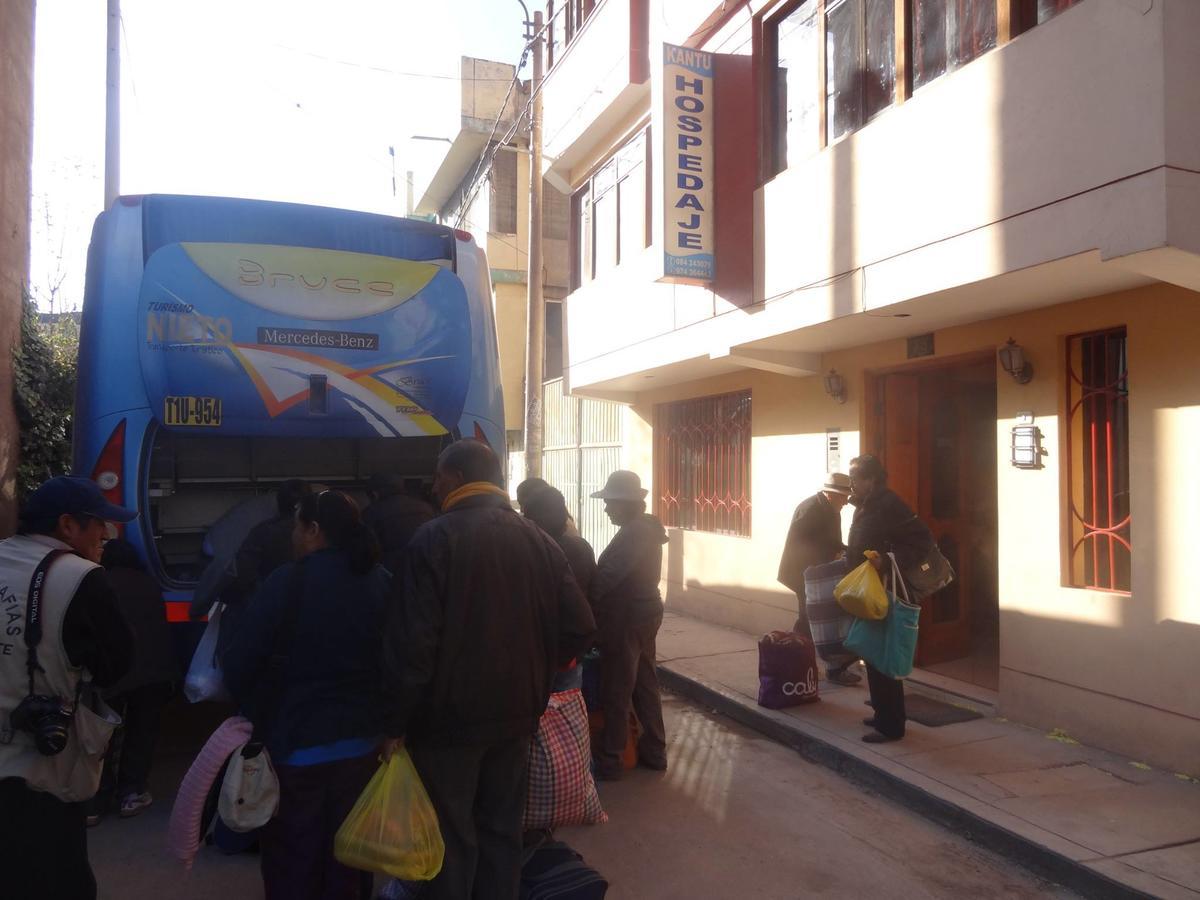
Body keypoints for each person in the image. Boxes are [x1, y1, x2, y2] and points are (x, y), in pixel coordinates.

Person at [383, 440, 596, 900]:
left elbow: (414, 647)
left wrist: (394, 723)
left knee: (452, 836)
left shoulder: (433, 539)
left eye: (438, 479)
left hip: (446, 726)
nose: (434, 488)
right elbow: (580, 626)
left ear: (456, 479)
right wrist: (536, 669)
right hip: (518, 716)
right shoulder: (538, 539)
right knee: (502, 830)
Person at [223, 490, 389, 900]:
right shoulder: (381, 580)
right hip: (363, 746)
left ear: (314, 530)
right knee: (350, 853)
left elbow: (240, 662)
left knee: (294, 856)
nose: (293, 534)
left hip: (294, 745)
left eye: (298, 524)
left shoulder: (287, 582)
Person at [0, 476, 135, 900]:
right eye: (99, 524)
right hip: (41, 773)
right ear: (67, 526)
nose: (107, 535)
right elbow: (116, 665)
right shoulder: (82, 578)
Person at [86, 538, 178, 825]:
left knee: (103, 735)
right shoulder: (150, 584)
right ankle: (131, 793)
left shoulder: (99, 583)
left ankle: (96, 801)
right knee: (142, 732)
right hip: (152, 673)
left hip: (113, 672)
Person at [846, 455, 933, 744]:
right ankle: (882, 712)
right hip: (868, 588)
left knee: (884, 656)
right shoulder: (867, 504)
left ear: (871, 480)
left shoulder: (890, 504)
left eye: (856, 478)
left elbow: (922, 541)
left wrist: (887, 560)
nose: (852, 483)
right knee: (871, 653)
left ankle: (892, 725)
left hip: (887, 590)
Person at [589, 470, 669, 780]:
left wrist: (587, 605)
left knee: (618, 689)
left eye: (610, 503)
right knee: (644, 683)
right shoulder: (642, 529)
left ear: (626, 504)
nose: (606, 508)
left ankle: (611, 759)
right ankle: (654, 751)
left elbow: (608, 578)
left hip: (628, 617)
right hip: (642, 614)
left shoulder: (635, 533)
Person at [777, 473, 858, 685]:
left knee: (827, 622)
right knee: (807, 620)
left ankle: (832, 668)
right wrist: (829, 554)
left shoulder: (832, 510)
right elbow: (800, 546)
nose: (845, 503)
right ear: (831, 494)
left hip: (821, 574)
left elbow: (833, 541)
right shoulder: (809, 509)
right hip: (803, 574)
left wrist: (848, 551)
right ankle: (794, 664)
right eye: (843, 498)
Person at [218, 479, 312, 654]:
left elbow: (240, 578)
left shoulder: (263, 532)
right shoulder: (322, 534)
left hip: (272, 626)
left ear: (278, 503)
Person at [523, 486, 597, 693]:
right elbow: (594, 596)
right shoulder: (581, 547)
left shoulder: (531, 552)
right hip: (569, 654)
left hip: (539, 655)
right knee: (564, 715)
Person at [362, 473, 435, 575]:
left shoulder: (371, 513)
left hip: (392, 576)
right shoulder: (426, 508)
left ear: (375, 494)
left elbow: (365, 552)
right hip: (425, 572)